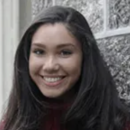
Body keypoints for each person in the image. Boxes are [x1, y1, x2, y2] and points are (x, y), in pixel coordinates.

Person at [0, 6, 130, 130]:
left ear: (85, 57)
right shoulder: (10, 125)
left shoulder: (119, 123)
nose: (50, 66)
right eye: (39, 52)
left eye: (65, 52)